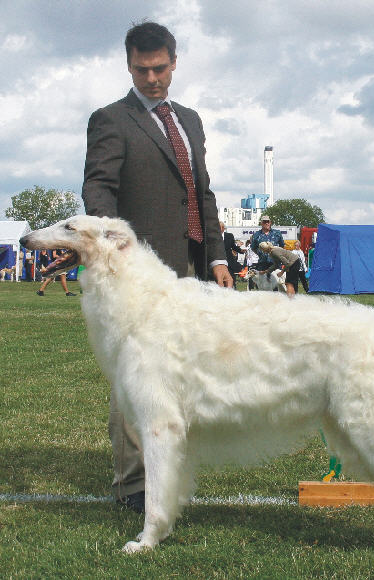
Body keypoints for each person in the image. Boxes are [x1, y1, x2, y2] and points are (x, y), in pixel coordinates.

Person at [81, 21, 232, 513]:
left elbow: (200, 192)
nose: (152, 79)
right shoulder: (111, 119)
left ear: (174, 62)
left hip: (188, 269)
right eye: (142, 70)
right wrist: (112, 243)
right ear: (129, 65)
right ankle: (133, 486)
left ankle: (166, 470)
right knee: (137, 374)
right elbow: (98, 188)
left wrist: (215, 254)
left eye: (160, 68)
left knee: (176, 375)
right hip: (137, 274)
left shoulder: (189, 119)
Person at [219, 221, 245, 288]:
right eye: (219, 227)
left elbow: (233, 246)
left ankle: (233, 289)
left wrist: (241, 251)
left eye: (222, 227)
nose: (220, 228)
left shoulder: (229, 236)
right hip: (219, 261)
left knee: (231, 279)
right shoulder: (214, 237)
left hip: (229, 262)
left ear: (224, 228)